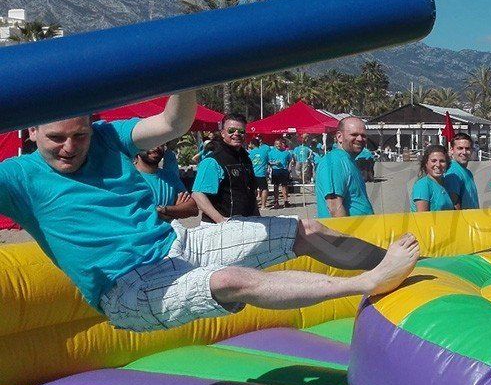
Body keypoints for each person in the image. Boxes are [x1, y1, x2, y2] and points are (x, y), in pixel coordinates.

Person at [0, 91, 420, 332]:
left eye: (79, 136)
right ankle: (369, 282)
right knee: (231, 280)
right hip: (125, 290)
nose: (70, 148)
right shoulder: (17, 177)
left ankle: (398, 267)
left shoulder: (106, 137)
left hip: (177, 245)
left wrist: (186, 75)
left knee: (305, 228)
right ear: (30, 130)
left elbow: (172, 123)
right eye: (56, 138)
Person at [192, 115, 261, 223]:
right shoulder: (213, 160)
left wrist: (257, 218)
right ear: (223, 133)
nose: (236, 134)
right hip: (220, 225)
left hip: (247, 223)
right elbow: (198, 195)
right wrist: (221, 220)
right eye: (231, 130)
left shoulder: (245, 158)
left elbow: (251, 193)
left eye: (241, 131)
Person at [315, 117, 375, 218]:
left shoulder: (349, 160)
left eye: (363, 135)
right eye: (354, 134)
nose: (360, 139)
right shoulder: (335, 161)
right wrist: (347, 229)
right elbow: (334, 207)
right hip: (350, 227)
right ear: (339, 137)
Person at [134, 143, 197, 221]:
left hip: (167, 229)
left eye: (161, 143)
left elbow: (193, 208)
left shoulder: (170, 176)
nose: (156, 147)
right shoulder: (128, 177)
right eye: (150, 142)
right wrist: (176, 211)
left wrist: (166, 210)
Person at [411, 144, 461, 212]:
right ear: (426, 163)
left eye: (442, 161)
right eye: (433, 161)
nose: (438, 165)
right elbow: (422, 217)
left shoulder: (446, 184)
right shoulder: (423, 185)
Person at [446, 132, 480, 209]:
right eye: (460, 148)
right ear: (452, 150)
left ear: (472, 150)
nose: (464, 152)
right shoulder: (453, 172)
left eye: (467, 148)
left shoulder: (467, 172)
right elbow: (454, 203)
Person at [267, 137, 295, 209]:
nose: (278, 145)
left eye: (279, 144)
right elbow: (269, 162)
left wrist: (289, 168)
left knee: (284, 186)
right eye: (276, 144)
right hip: (275, 170)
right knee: (276, 186)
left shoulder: (286, 152)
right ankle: (276, 201)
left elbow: (290, 160)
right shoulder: (271, 152)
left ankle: (286, 201)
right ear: (274, 144)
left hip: (284, 170)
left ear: (281, 144)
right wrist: (274, 163)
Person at [247, 137, 271, 210]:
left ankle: (253, 205)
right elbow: (268, 161)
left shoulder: (249, 153)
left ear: (252, 144)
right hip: (261, 173)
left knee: (252, 189)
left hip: (252, 174)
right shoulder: (264, 152)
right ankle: (263, 206)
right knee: (264, 189)